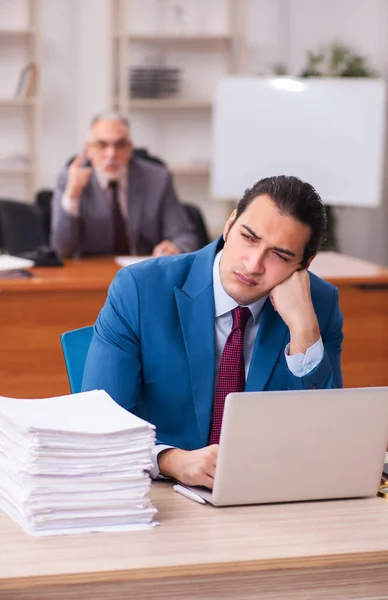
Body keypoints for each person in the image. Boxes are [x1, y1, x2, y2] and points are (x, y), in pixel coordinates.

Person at [82, 175, 343, 489]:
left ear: (305, 264)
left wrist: (303, 330)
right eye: (248, 237)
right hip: (157, 497)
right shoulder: (140, 289)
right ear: (230, 224)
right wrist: (170, 460)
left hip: (264, 496)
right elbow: (98, 426)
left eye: (280, 255)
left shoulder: (319, 305)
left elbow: (326, 439)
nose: (253, 264)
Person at [51, 112, 198, 258]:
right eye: (102, 145)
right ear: (88, 149)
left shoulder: (157, 179)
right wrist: (72, 196)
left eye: (120, 145)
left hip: (143, 272)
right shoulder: (69, 179)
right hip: (91, 275)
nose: (111, 154)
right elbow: (61, 250)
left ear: (130, 148)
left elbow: (184, 236)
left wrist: (174, 248)